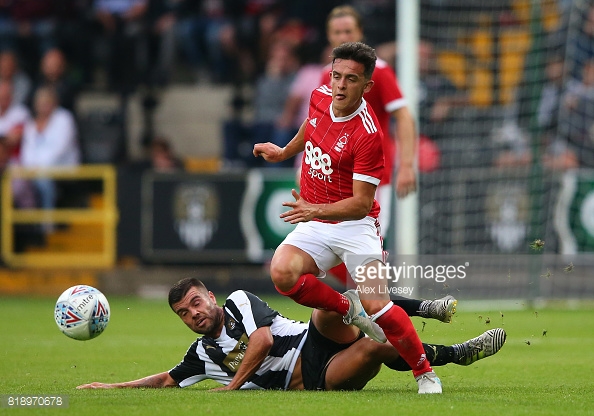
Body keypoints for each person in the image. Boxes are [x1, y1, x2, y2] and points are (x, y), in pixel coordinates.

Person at [253, 41, 443, 393]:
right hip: (316, 222)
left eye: (351, 79)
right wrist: (283, 152)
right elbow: (311, 129)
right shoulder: (320, 95)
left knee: (380, 307)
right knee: (282, 271)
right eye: (336, 76)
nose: (340, 85)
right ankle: (347, 307)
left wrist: (313, 209)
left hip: (355, 228)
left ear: (367, 86)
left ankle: (425, 373)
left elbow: (360, 204)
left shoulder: (369, 135)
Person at [76, 278, 506, 391]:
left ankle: (425, 308)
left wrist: (232, 387)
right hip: (320, 379)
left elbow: (262, 341)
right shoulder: (202, 353)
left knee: (337, 303)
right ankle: (456, 355)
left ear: (210, 296)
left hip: (313, 340)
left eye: (196, 303)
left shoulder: (240, 302)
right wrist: (110, 386)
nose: (193, 314)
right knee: (376, 345)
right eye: (184, 313)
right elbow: (167, 380)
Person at [320, 5, 417, 234]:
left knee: (366, 248)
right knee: (327, 251)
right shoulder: (326, 75)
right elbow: (321, 124)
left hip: (372, 177)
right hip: (335, 177)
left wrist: (406, 166)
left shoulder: (379, 72)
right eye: (338, 32)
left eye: (348, 31)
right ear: (329, 36)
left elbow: (403, 117)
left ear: (360, 33)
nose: (343, 37)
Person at [20, 85, 80, 214]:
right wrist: (30, 168)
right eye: (40, 103)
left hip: (61, 169)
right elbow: (27, 152)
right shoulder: (31, 124)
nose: (43, 106)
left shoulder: (64, 118)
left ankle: (47, 221)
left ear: (54, 103)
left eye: (47, 103)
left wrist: (39, 168)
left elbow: (60, 148)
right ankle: (28, 221)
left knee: (43, 180)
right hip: (34, 171)